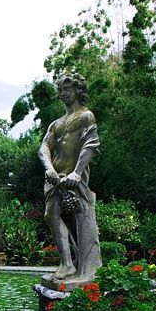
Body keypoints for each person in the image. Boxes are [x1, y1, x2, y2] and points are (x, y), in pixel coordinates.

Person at [38, 73, 102, 283]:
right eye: (61, 90)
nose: (63, 94)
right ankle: (66, 263)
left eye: (68, 89)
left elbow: (89, 146)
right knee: (51, 215)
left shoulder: (86, 116)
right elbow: (44, 148)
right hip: (55, 179)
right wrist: (49, 169)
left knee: (81, 220)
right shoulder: (56, 124)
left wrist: (77, 172)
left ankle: (86, 267)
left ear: (78, 91)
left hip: (75, 179)